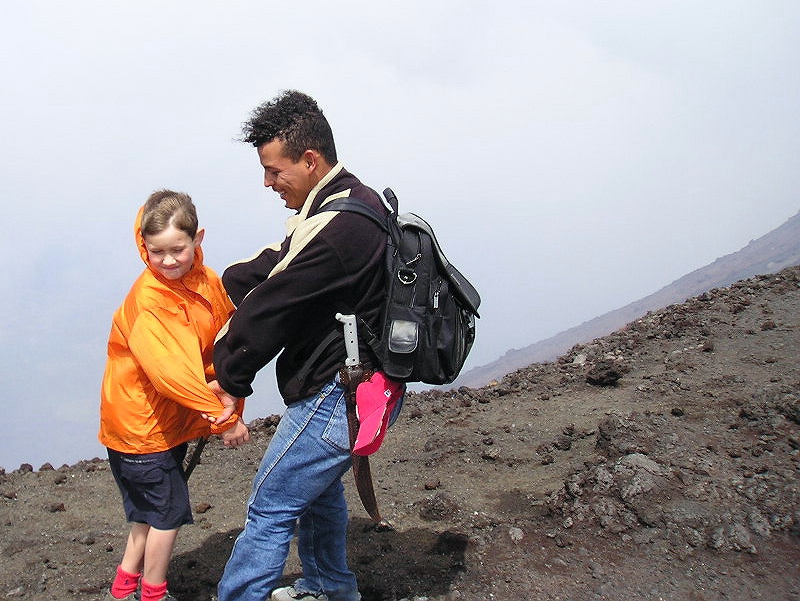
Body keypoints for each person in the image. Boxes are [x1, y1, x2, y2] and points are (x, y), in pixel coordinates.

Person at [211, 90, 389, 601]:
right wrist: (226, 281)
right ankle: (331, 588)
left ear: (310, 161)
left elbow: (274, 305)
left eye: (274, 170)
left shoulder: (341, 227)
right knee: (314, 491)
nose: (268, 183)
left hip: (335, 396)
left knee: (269, 507)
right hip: (353, 389)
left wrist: (227, 375)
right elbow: (277, 266)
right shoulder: (350, 202)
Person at [98, 190, 250, 601]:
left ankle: (124, 584)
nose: (167, 261)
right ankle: (154, 591)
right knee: (166, 515)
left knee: (148, 511)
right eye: (156, 252)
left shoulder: (205, 280)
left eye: (177, 249)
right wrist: (226, 418)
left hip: (161, 426)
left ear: (197, 238)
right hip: (141, 430)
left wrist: (231, 385)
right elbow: (172, 375)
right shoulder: (151, 301)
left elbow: (225, 331)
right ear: (143, 245)